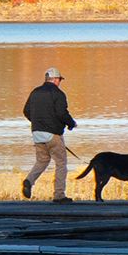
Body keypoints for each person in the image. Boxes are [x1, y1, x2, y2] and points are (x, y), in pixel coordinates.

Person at [22, 67, 77, 203]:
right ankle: (59, 195)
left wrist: (37, 122)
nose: (60, 82)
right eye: (59, 80)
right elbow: (61, 113)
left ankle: (29, 180)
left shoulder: (35, 92)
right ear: (55, 79)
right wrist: (71, 123)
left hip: (37, 133)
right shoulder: (58, 94)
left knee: (42, 160)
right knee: (61, 163)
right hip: (53, 134)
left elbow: (26, 111)